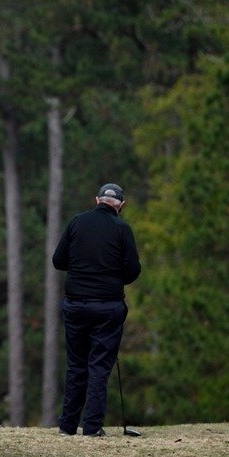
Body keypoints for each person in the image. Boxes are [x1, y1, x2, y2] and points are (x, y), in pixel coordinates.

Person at [53, 183, 141, 437]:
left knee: (76, 366)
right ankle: (92, 427)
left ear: (97, 200)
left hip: (76, 305)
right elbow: (133, 270)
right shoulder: (122, 229)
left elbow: (58, 261)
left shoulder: (77, 222)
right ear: (121, 205)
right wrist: (112, 278)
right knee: (99, 366)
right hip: (108, 307)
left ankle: (68, 426)